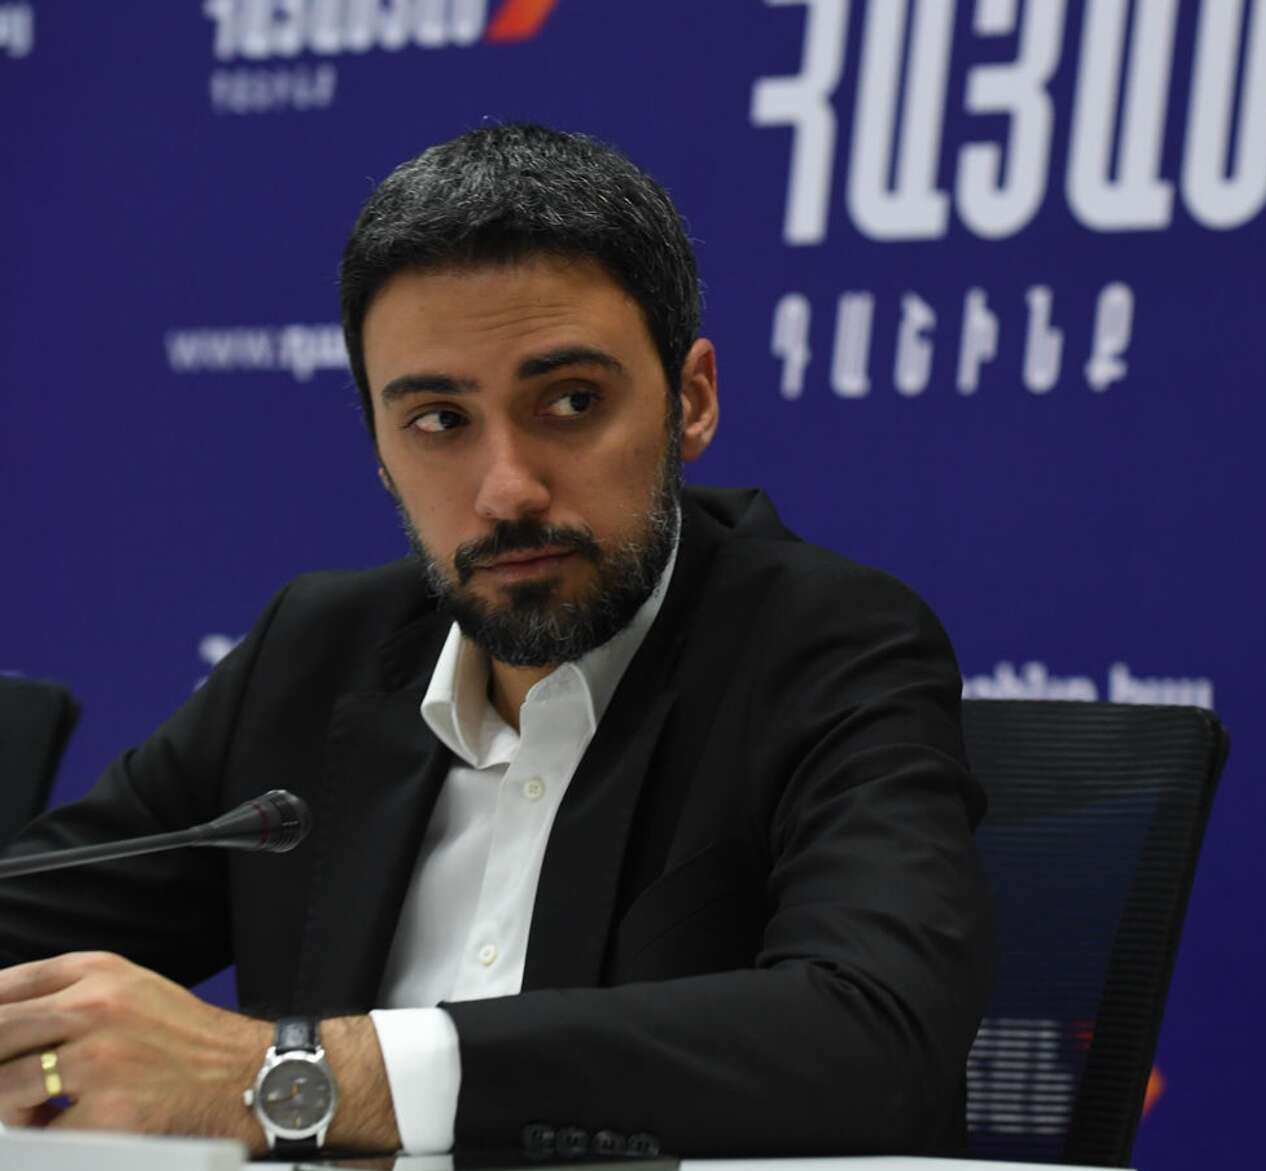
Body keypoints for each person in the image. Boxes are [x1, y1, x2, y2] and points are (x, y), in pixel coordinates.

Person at [0, 124, 993, 1159]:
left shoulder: (827, 645)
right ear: (380, 447)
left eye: (571, 402)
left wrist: (292, 1076)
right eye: (439, 420)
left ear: (691, 400)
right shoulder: (316, 652)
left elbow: (877, 1035)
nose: (508, 489)